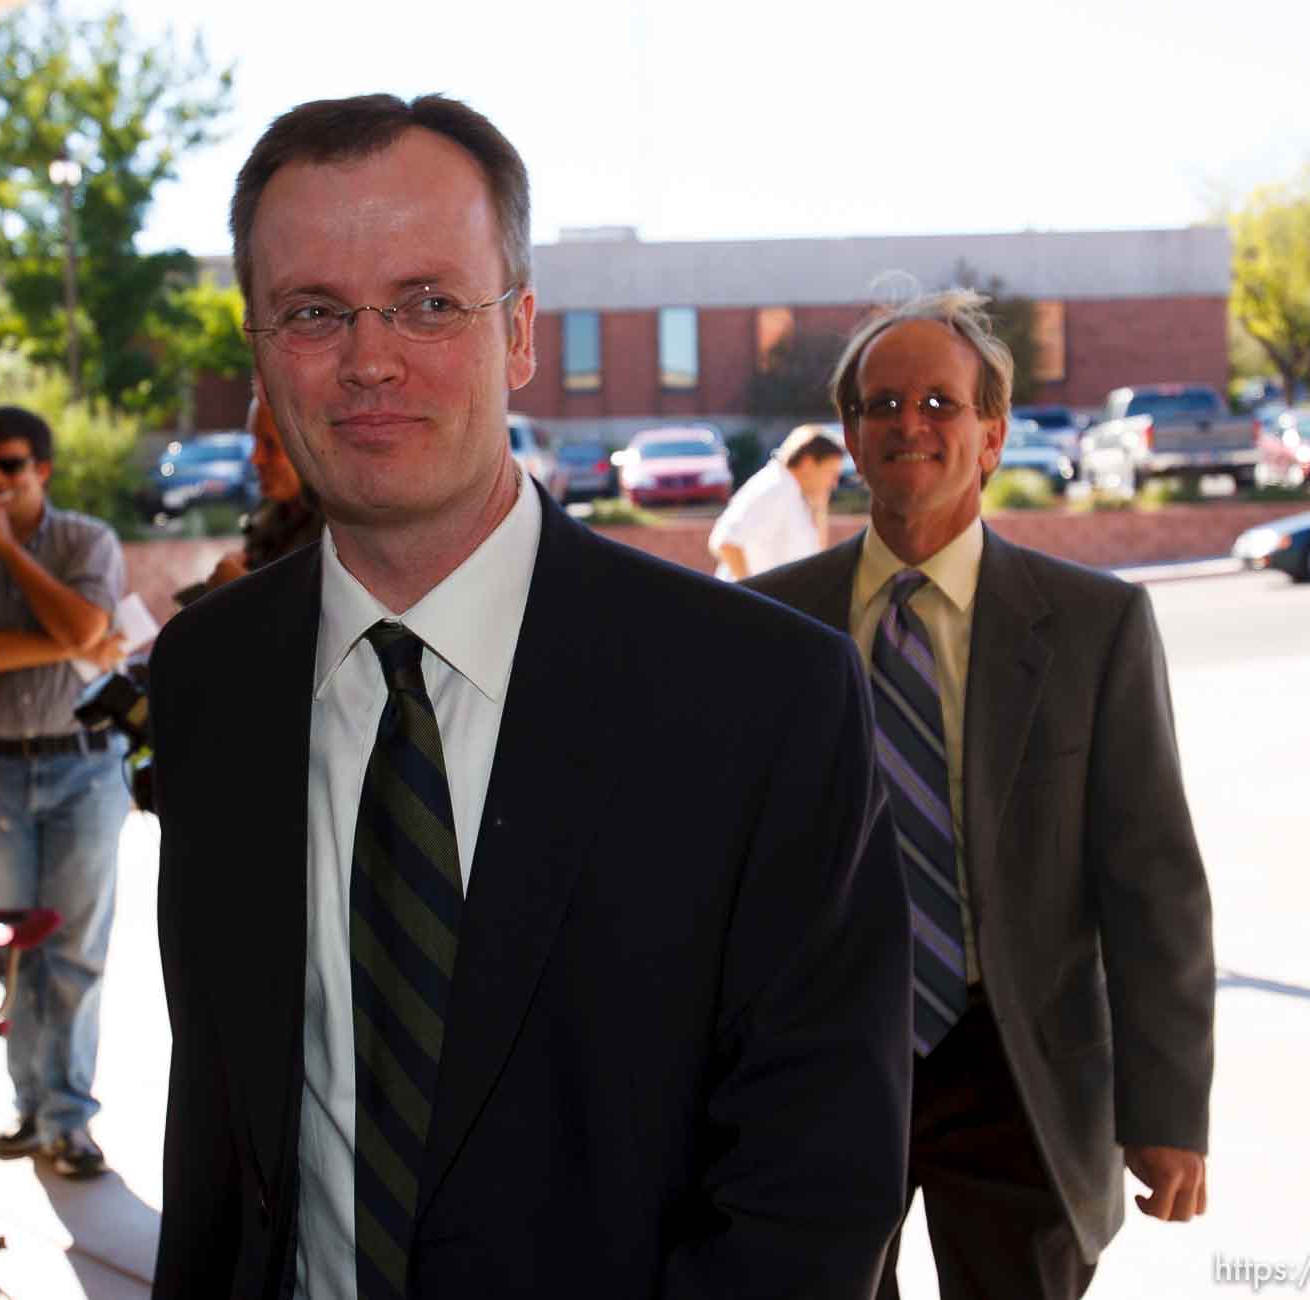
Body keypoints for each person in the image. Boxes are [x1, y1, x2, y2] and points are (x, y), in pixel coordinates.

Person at [149, 94, 913, 1299]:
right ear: (258, 346)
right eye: (311, 311)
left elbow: (812, 1190)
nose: (370, 358)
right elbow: (219, 1128)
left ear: (521, 334)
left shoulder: (767, 702)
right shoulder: (208, 678)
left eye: (429, 301)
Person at [747, 288, 1215, 1299]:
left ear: (993, 435)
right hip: (821, 1067)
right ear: (851, 435)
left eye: (940, 404)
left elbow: (1153, 881)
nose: (908, 424)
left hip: (1019, 1067)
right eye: (882, 405)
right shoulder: (764, 630)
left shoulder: (1098, 626)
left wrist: (1168, 1111)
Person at [0, 404, 131, 1180]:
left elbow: (86, 623)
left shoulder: (87, 541)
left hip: (83, 769)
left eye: (11, 465)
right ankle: (30, 1106)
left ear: (43, 469)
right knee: (10, 952)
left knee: (74, 950)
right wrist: (62, 641)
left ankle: (67, 1119)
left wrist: (9, 552)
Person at [199, 393, 325, 592]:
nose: (255, 458)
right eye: (254, 443)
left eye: (270, 445)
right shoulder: (271, 514)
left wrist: (243, 591)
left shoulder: (344, 538)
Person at [708, 421, 847, 580]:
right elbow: (725, 542)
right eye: (831, 472)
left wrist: (820, 508)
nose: (834, 482)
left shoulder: (795, 493)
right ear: (808, 463)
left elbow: (815, 556)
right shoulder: (774, 488)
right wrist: (751, 596)